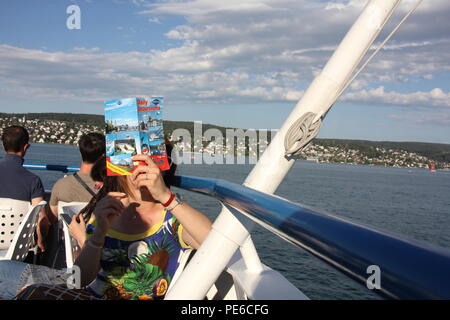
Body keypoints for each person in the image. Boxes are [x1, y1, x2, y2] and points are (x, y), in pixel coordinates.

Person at [15, 150, 212, 300]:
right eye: (133, 162)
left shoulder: (172, 218)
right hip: (93, 294)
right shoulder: (108, 210)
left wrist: (166, 198)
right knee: (31, 292)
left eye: (149, 163)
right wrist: (98, 233)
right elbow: (79, 279)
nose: (140, 169)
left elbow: (214, 242)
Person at [0, 125, 48, 252]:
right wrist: (41, 240)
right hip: (18, 251)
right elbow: (42, 219)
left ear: (3, 145)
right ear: (26, 147)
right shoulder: (33, 181)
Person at [49, 133, 105, 220]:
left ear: (81, 152)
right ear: (103, 156)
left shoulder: (60, 185)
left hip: (71, 232)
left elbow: (53, 216)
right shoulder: (111, 188)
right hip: (100, 232)